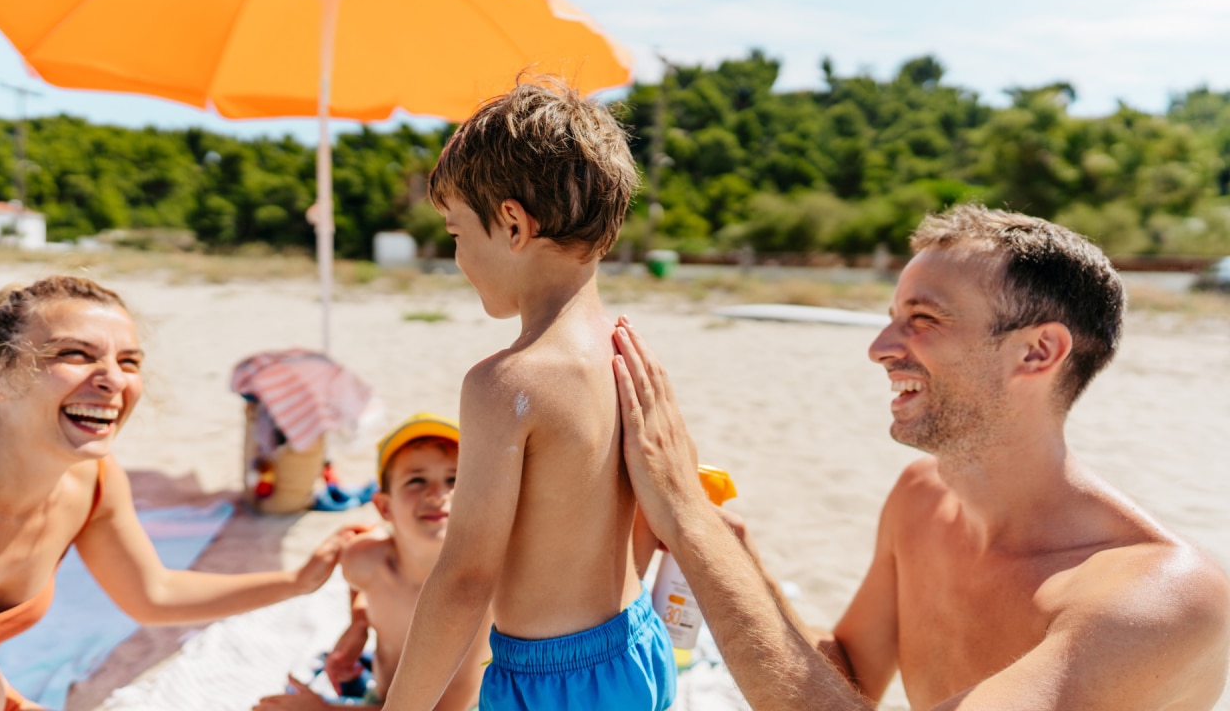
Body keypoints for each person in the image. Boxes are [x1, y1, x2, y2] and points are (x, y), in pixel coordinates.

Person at [611, 204, 1230, 710]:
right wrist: (739, 559)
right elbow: (847, 673)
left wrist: (695, 532)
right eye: (891, 319)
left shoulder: (1162, 597)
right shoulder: (922, 497)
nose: (881, 348)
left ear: (1038, 352)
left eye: (924, 319)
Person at [381, 78, 676, 711]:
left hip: (552, 681)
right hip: (636, 644)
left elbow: (464, 577)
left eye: (457, 234)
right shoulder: (627, 353)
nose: (457, 257)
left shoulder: (506, 385)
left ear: (512, 224)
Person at [0, 276, 359, 711]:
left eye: (129, 362)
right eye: (74, 354)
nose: (113, 380)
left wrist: (299, 581)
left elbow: (154, 594)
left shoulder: (93, 483)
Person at [253, 412, 491, 710]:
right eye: (416, 480)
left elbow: (443, 708)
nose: (437, 494)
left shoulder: (477, 594)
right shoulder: (365, 560)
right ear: (384, 507)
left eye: (454, 479)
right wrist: (359, 623)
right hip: (381, 698)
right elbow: (358, 581)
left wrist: (323, 710)